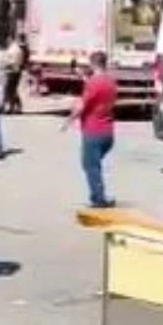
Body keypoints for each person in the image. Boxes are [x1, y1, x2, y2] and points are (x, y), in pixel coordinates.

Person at [64, 51, 118, 209]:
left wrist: (69, 120)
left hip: (93, 131)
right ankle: (99, 195)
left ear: (93, 64)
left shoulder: (93, 84)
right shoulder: (110, 82)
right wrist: (83, 76)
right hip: (108, 132)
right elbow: (97, 91)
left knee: (90, 165)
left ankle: (99, 198)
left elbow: (82, 105)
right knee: (92, 164)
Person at [2, 34, 25, 114]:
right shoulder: (13, 48)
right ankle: (15, 107)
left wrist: (6, 63)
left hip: (13, 72)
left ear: (11, 40)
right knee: (12, 90)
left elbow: (14, 62)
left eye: (8, 40)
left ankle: (11, 107)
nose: (6, 41)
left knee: (9, 90)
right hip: (13, 71)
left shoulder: (14, 49)